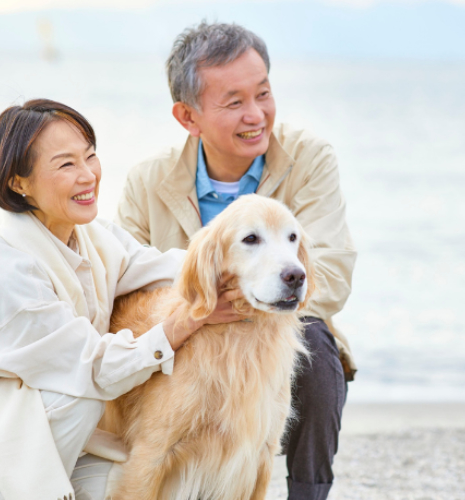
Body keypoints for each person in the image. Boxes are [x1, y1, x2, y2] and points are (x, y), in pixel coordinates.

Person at [0, 99, 245, 500]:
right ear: (18, 183)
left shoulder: (92, 236)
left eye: (90, 157)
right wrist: (185, 323)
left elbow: (163, 267)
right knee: (78, 397)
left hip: (14, 412)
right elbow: (94, 369)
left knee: (134, 482)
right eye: (66, 165)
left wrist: (239, 268)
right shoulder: (8, 275)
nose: (88, 175)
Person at [116, 21, 358, 500]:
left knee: (316, 353)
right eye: (234, 102)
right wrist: (204, 307)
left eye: (263, 93)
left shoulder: (309, 159)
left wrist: (247, 304)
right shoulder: (148, 182)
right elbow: (122, 287)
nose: (257, 115)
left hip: (281, 334)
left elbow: (330, 273)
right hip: (182, 338)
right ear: (188, 117)